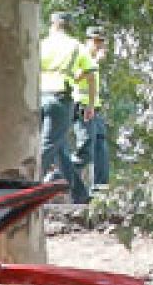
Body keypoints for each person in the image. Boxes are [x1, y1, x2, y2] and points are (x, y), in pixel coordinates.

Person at [39, 12, 96, 203]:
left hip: (38, 98)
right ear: (69, 26)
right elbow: (90, 75)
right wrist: (89, 104)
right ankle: (25, 187)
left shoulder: (41, 44)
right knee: (47, 146)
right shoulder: (76, 46)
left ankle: (80, 196)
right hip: (60, 99)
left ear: (52, 25)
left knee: (60, 150)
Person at [74, 26, 110, 190]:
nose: (99, 46)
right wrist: (95, 62)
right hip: (81, 106)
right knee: (86, 147)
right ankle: (60, 178)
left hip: (94, 108)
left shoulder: (93, 59)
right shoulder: (81, 54)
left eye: (101, 42)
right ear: (88, 41)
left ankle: (100, 188)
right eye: (96, 42)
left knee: (100, 147)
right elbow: (76, 76)